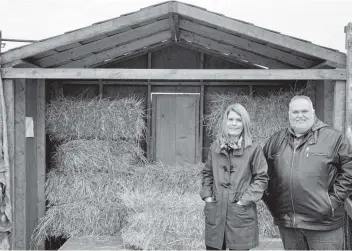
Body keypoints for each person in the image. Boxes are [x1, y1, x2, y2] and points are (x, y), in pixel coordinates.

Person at [263, 95, 352, 250]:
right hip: (289, 224)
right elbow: (261, 173)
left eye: (304, 111)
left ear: (313, 112)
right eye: (295, 112)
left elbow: (349, 172)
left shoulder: (334, 138)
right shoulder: (276, 140)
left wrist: (331, 203)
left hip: (324, 225)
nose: (300, 115)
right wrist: (272, 202)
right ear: (289, 114)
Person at [200, 103, 268, 250]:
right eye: (231, 119)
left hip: (240, 215)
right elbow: (207, 173)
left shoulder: (254, 149)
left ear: (244, 123)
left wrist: (243, 201)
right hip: (216, 212)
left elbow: (261, 179)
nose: (234, 123)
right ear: (225, 122)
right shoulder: (215, 147)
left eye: (239, 120)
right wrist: (208, 197)